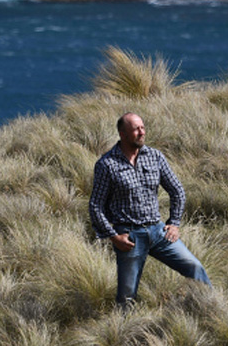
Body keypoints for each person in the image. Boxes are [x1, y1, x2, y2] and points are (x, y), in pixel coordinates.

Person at [89, 112, 210, 307]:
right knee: (127, 297)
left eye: (142, 128)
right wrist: (114, 237)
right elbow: (95, 205)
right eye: (136, 129)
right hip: (129, 237)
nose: (141, 132)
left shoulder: (155, 156)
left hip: (159, 231)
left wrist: (174, 223)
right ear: (123, 134)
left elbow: (177, 191)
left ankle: (209, 309)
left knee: (195, 268)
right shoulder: (107, 164)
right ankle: (124, 332)